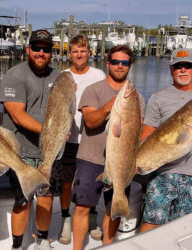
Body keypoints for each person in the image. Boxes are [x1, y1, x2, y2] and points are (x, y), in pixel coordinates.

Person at [71, 45, 145, 250]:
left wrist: (135, 161)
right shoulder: (93, 90)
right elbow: (91, 121)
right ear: (108, 63)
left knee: (112, 209)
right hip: (91, 158)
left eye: (125, 63)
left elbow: (135, 134)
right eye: (116, 62)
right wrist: (109, 106)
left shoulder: (136, 97)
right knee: (83, 207)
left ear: (130, 66)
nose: (120, 66)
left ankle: (107, 246)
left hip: (121, 162)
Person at [0, 29, 61, 250]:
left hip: (48, 152)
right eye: (37, 48)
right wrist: (51, 132)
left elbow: (66, 111)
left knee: (45, 199)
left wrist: (61, 129)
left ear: (51, 52)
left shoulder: (58, 77)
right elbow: (17, 114)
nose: (41, 52)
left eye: (46, 49)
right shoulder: (15, 75)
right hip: (21, 152)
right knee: (23, 201)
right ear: (29, 50)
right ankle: (17, 246)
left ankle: (42, 242)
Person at [139, 48, 192, 232]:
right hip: (162, 174)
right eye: (178, 66)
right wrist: (136, 161)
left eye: (188, 65)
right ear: (171, 69)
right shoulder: (158, 98)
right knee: (152, 223)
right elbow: (147, 133)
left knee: (185, 229)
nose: (183, 69)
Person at [58, 34, 106, 245]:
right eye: (75, 51)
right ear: (70, 54)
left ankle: (93, 216)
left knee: (94, 180)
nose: (79, 55)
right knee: (67, 181)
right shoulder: (63, 75)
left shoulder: (98, 74)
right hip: (69, 138)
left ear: (89, 53)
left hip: (93, 138)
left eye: (83, 51)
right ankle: (66, 219)